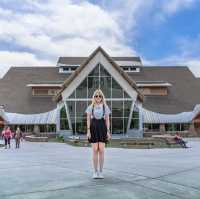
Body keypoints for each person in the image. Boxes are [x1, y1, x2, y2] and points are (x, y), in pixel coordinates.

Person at [85, 89, 111, 179]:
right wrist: (88, 131)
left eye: (100, 96)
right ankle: (95, 172)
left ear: (102, 97)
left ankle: (101, 172)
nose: (98, 97)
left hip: (102, 127)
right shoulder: (90, 107)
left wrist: (108, 131)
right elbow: (88, 119)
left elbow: (107, 120)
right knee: (95, 150)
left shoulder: (105, 107)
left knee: (102, 150)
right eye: (96, 96)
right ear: (94, 97)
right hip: (93, 128)